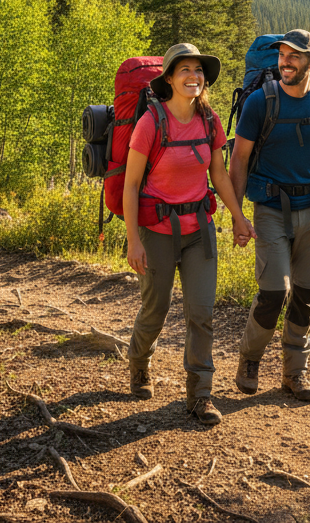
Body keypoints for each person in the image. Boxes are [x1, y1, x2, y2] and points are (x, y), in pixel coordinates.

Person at [124, 43, 256, 425]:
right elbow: (131, 185)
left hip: (199, 229)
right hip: (157, 232)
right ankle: (138, 360)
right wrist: (134, 240)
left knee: (201, 313)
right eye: (184, 70)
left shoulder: (209, 120)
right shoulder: (151, 122)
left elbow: (218, 174)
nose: (193, 76)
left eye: (198, 70)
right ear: (168, 78)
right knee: (157, 308)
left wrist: (238, 217)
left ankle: (200, 395)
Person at [229, 29, 310, 402]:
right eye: (283, 54)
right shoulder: (259, 103)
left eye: (295, 56)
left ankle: (294, 374)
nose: (286, 61)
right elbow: (239, 159)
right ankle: (250, 360)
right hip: (269, 207)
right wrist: (237, 215)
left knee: (305, 294)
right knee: (274, 293)